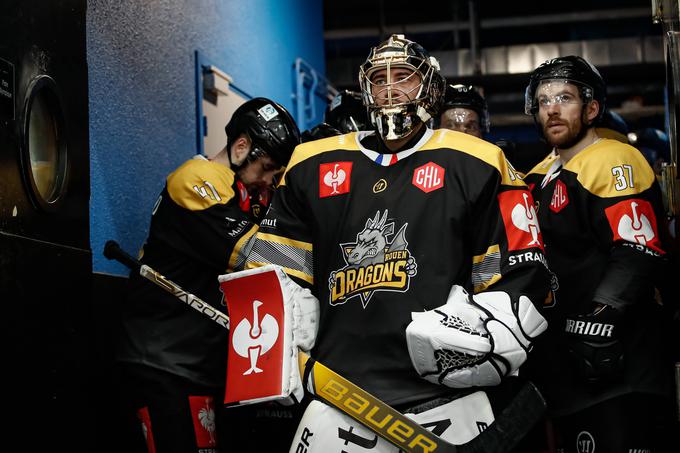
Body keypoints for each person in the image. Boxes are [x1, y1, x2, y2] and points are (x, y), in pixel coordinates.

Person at [241, 34, 551, 450]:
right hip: (338, 393)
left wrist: (487, 334)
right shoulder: (310, 164)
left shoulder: (478, 162)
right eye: (378, 79)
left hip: (446, 398)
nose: (389, 88)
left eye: (403, 77)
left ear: (430, 89)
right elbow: (270, 276)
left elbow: (518, 272)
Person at [116, 97, 300, 453]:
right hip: (163, 361)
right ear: (241, 146)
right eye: (266, 168)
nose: (268, 181)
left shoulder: (242, 190)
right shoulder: (196, 180)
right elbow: (256, 256)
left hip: (196, 364)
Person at [523, 56, 676, 452]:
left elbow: (638, 247)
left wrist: (601, 315)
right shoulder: (538, 175)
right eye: (543, 101)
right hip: (566, 373)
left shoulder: (613, 157)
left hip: (620, 369)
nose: (552, 108)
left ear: (591, 108)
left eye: (564, 98)